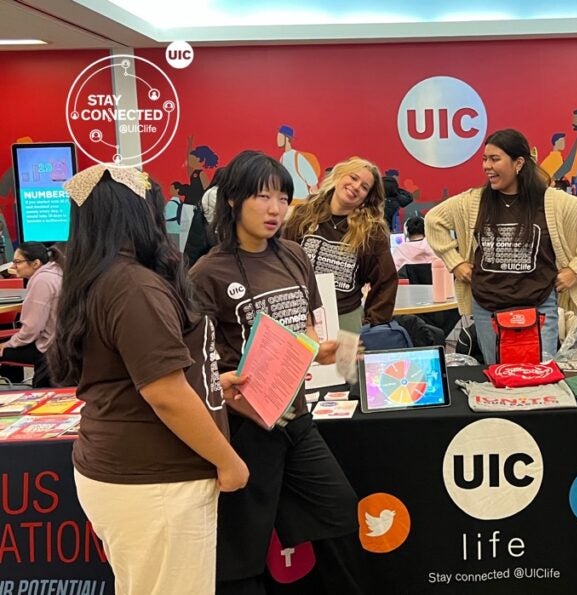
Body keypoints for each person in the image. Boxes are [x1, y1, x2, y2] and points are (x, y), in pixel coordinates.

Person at [51, 165, 248, 595]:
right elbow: (164, 393)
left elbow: (138, 374)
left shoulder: (102, 279)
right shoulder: (133, 286)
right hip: (156, 480)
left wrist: (212, 383)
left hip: (134, 474)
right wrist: (228, 461)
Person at [188, 151, 364, 594]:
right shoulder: (207, 273)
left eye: (283, 198)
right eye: (262, 196)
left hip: (296, 417)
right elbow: (199, 362)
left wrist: (325, 349)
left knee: (339, 510)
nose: (274, 209)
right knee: (243, 545)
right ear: (232, 201)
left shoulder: (292, 255)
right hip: (246, 425)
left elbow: (303, 327)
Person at [425, 128, 577, 365]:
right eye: (485, 159)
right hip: (487, 308)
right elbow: (434, 220)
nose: (486, 166)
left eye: (495, 159)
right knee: (499, 376)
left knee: (540, 376)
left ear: (518, 163)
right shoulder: (473, 201)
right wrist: (455, 263)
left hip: (539, 306)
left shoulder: (551, 201)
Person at [282, 156, 397, 333]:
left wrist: (372, 323)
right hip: (299, 315)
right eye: (353, 177)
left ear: (367, 197)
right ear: (339, 176)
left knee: (346, 363)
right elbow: (283, 262)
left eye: (364, 187)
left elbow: (385, 281)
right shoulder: (302, 216)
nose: (356, 186)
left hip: (346, 318)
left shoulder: (372, 231)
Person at [0, 242, 62, 387]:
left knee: (5, 348)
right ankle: (15, 386)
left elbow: (31, 330)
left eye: (18, 262)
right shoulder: (56, 272)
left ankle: (14, 393)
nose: (13, 267)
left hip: (47, 349)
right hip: (61, 343)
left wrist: (8, 344)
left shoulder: (42, 281)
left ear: (35, 263)